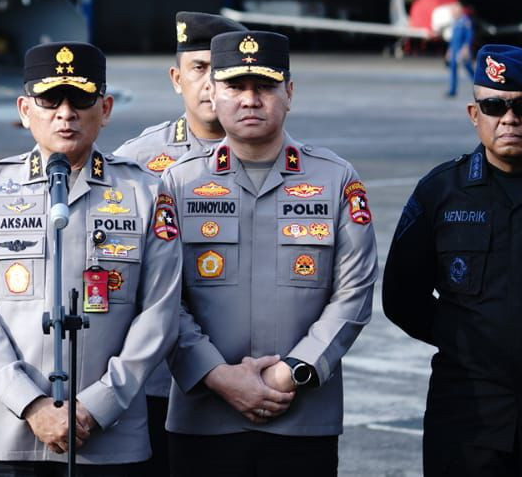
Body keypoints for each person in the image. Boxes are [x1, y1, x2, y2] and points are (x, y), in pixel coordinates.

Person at [0, 42, 182, 475]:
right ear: (24, 109)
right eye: (49, 99)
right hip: (5, 436)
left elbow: (159, 314)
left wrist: (99, 404)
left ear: (106, 107)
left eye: (81, 98)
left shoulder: (145, 193)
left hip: (109, 438)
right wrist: (33, 404)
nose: (65, 112)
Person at [384, 44, 522, 475]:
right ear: (474, 115)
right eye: (494, 106)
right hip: (468, 414)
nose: (509, 118)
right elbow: (401, 296)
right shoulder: (439, 193)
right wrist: (464, 342)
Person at [161, 31, 377, 475]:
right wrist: (218, 376)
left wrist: (294, 371)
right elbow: (161, 298)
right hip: (203, 417)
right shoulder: (178, 183)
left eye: (265, 87)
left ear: (289, 93)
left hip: (301, 416)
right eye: (235, 86)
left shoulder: (336, 179)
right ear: (214, 92)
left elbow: (353, 294)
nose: (250, 100)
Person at [112, 11, 246, 475]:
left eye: (223, 69)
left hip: (245, 374)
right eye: (198, 68)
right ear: (176, 78)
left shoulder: (272, 158)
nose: (211, 83)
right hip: (155, 385)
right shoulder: (136, 162)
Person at [445, 7, 477, 97]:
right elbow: (453, 38)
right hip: (455, 49)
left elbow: (469, 35)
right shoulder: (455, 22)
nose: (452, 15)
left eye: (453, 13)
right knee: (453, 69)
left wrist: (466, 47)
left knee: (469, 68)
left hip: (462, 49)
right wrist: (449, 50)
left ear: (458, 12)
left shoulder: (465, 21)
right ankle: (452, 90)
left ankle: (478, 86)